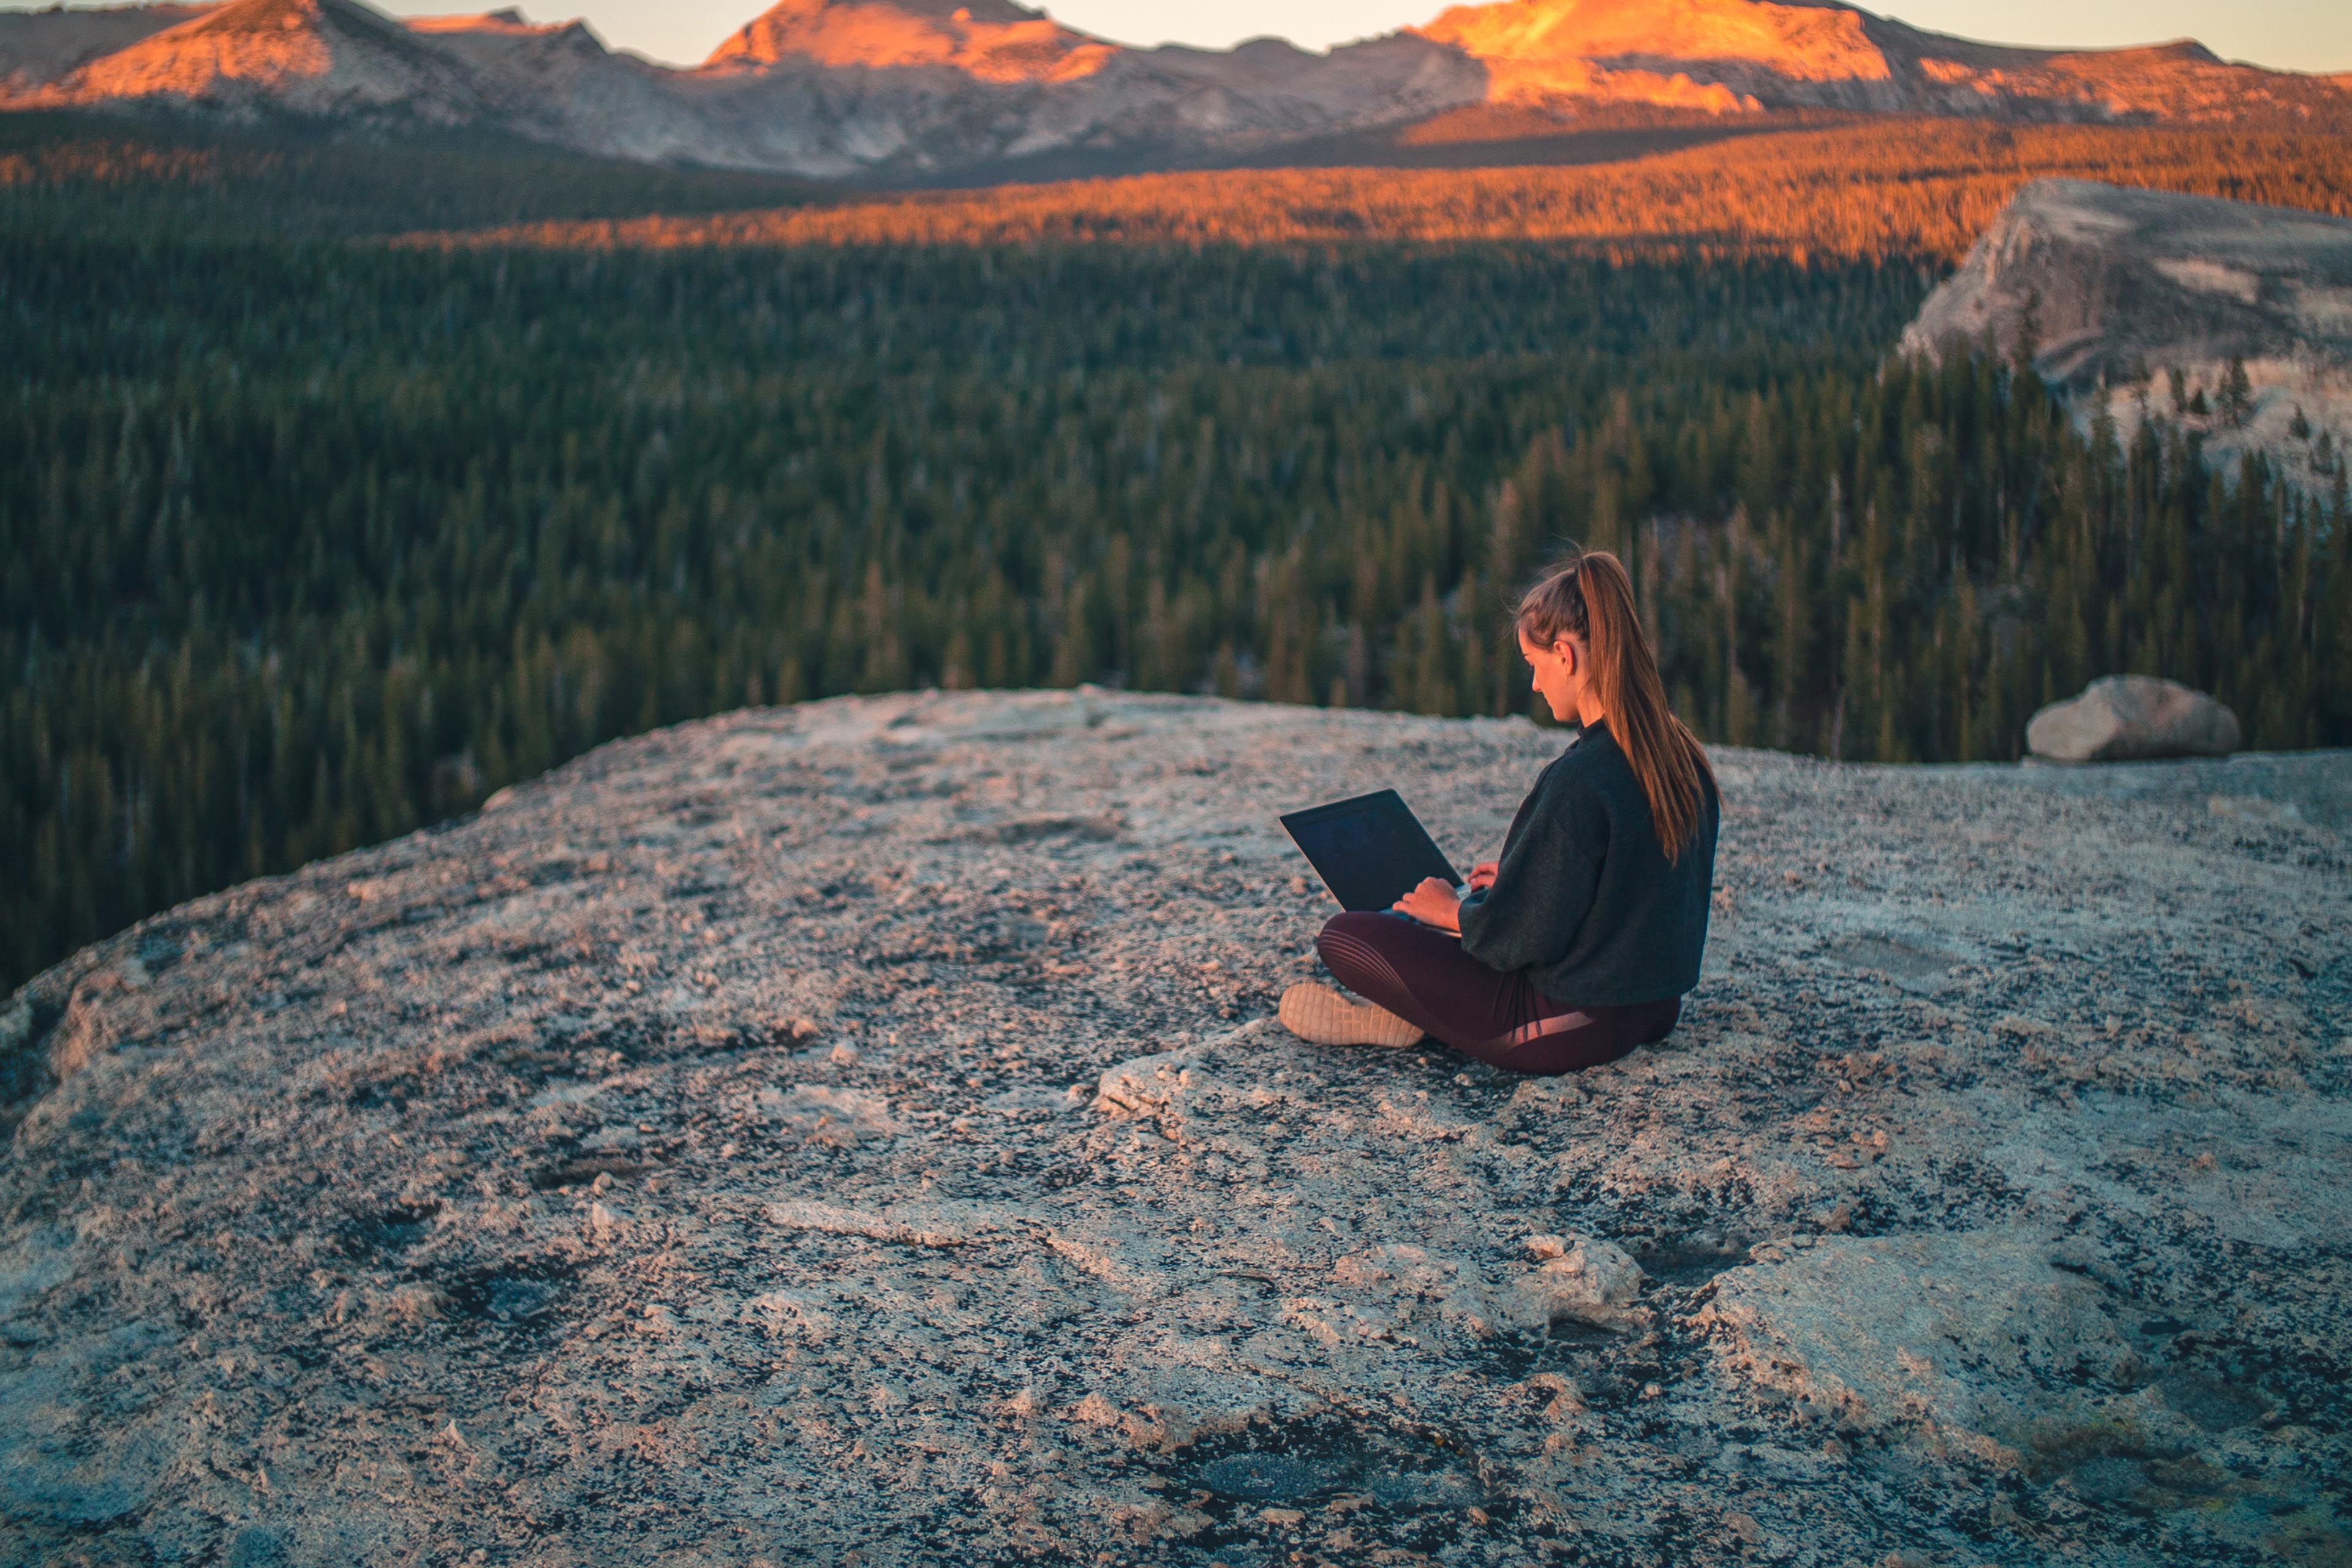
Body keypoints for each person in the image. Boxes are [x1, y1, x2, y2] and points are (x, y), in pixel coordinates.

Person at [1278, 549, 1719, 1075]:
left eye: (1534, 666)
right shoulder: (1677, 753)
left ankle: (1414, 1015)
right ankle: (1418, 1011)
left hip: (1566, 1027)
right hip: (1653, 1007)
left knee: (1345, 935)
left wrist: (1453, 911)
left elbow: (1517, 942)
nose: (1534, 685)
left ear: (1565, 655)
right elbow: (1625, 887)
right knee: (1446, 925)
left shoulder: (1580, 779)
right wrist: (1520, 881)